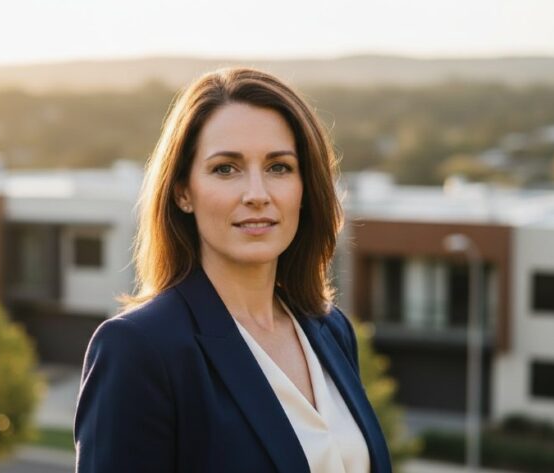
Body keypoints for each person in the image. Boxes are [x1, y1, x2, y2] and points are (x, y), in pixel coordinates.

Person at [74, 67, 392, 473]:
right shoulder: (139, 350)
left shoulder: (330, 329)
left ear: (305, 188)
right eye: (226, 168)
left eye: (279, 167)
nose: (257, 195)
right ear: (183, 191)